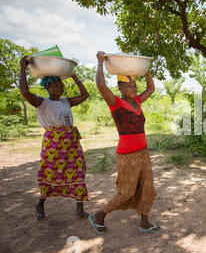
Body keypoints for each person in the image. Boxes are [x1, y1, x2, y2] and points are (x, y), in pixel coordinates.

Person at [88, 51, 159, 234]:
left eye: (135, 84)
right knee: (126, 192)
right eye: (129, 85)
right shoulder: (115, 103)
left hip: (143, 152)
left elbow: (151, 89)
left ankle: (144, 222)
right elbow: (101, 86)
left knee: (148, 187)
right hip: (127, 155)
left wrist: (145, 69)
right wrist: (100, 63)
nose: (134, 87)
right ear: (120, 87)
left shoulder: (137, 101)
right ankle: (99, 215)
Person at [19, 56, 90, 220]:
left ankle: (80, 209)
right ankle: (40, 204)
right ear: (47, 87)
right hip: (54, 145)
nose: (59, 87)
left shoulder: (66, 102)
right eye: (55, 85)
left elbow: (85, 95)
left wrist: (74, 76)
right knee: (50, 175)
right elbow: (24, 91)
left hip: (71, 144)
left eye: (61, 84)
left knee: (77, 173)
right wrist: (23, 68)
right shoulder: (42, 103)